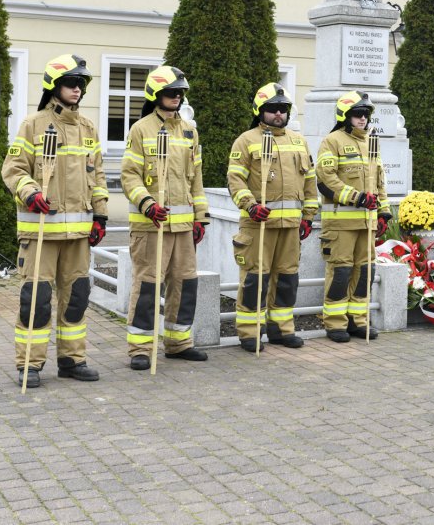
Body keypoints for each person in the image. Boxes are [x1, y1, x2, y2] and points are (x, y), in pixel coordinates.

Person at [1, 54, 107, 387]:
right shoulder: (33, 125)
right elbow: (13, 169)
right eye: (70, 83)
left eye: (81, 84)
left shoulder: (89, 129)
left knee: (76, 298)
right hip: (41, 234)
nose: (77, 89)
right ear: (54, 86)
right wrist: (30, 192)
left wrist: (101, 216)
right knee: (36, 299)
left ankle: (72, 360)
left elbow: (98, 176)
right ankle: (29, 364)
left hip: (77, 235)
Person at [121, 66, 209, 370]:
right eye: (171, 92)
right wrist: (147, 204)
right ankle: (140, 348)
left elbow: (195, 178)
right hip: (151, 225)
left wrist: (201, 217)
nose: (176, 97)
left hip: (183, 226)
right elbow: (129, 176)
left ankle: (178, 342)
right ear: (155, 94)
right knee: (147, 285)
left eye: (180, 92)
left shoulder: (188, 130)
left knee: (185, 284)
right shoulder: (140, 129)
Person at [227, 83, 318, 352]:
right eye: (272, 109)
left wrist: (308, 217)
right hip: (258, 225)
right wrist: (250, 205)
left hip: (290, 227)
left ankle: (281, 330)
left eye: (283, 109)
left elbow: (310, 183)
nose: (278, 113)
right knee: (256, 279)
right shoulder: (246, 140)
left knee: (287, 279)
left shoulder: (298, 141)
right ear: (260, 111)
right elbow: (235, 180)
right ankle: (250, 332)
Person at [315, 91, 392, 343]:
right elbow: (327, 178)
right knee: (341, 272)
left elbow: (379, 180)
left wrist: (384, 211)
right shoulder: (332, 141)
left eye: (366, 114)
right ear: (345, 116)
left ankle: (358, 320)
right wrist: (356, 197)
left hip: (366, 223)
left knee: (364, 273)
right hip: (340, 225)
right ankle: (335, 323)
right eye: (358, 114)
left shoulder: (371, 142)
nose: (363, 118)